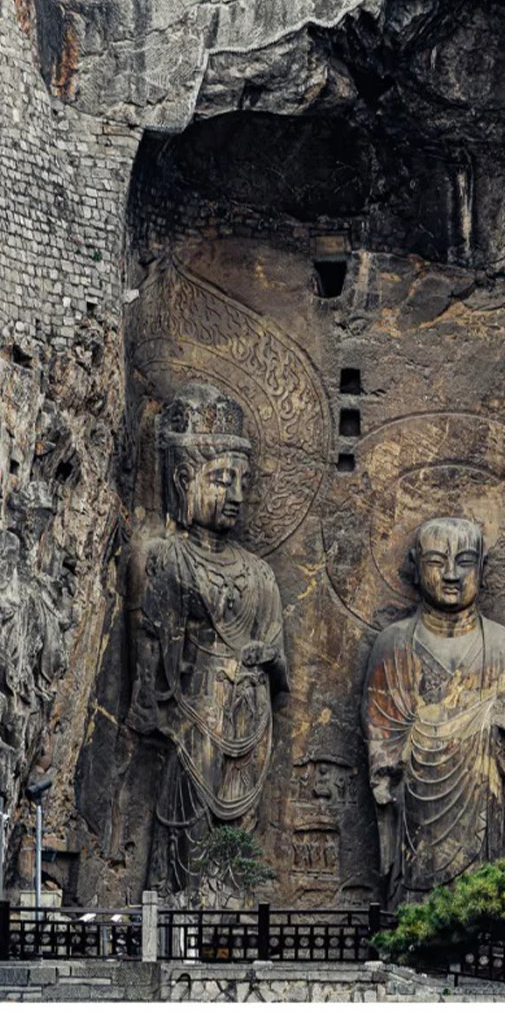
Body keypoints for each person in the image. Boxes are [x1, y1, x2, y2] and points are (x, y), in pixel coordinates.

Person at [131, 384, 288, 900]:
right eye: (221, 479)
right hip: (194, 717)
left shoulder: (260, 573)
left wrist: (266, 659)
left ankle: (231, 909)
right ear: (184, 479)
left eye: (243, 481)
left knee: (240, 835)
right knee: (188, 822)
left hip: (250, 717)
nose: (236, 494)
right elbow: (150, 649)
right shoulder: (167, 557)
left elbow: (278, 661)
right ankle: (182, 906)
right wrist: (158, 706)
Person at [364, 517, 505, 899]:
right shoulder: (394, 644)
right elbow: (379, 728)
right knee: (414, 901)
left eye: (465, 561)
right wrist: (386, 772)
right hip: (416, 808)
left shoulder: (504, 646)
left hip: (478, 799)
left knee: (477, 897)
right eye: (437, 562)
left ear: (482, 568)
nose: (452, 575)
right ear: (415, 566)